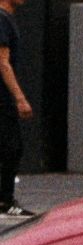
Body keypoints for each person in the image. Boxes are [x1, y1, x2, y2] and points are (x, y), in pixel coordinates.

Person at [0, 0, 33, 216]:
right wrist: (19, 97)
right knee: (11, 147)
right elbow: (3, 62)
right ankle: (4, 199)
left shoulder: (7, 19)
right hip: (2, 98)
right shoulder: (2, 19)